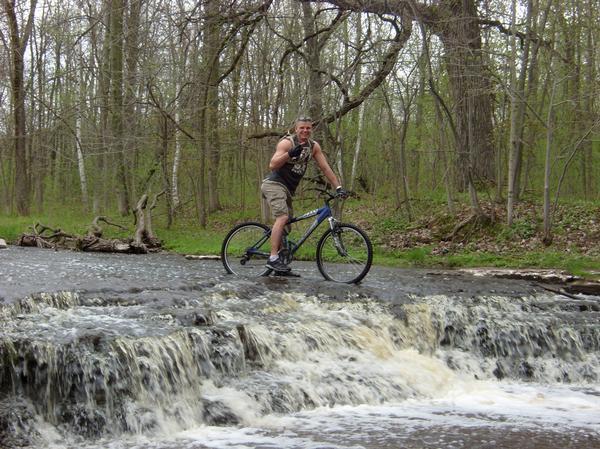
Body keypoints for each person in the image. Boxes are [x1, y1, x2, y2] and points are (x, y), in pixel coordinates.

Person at [261, 116, 346, 273]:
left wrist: (338, 187)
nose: (305, 130)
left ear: (311, 129)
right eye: (302, 128)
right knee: (282, 217)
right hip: (273, 184)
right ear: (296, 129)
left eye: (308, 128)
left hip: (288, 189)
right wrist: (289, 154)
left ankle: (282, 263)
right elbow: (272, 164)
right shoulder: (287, 143)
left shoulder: (313, 147)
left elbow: (326, 168)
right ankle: (273, 258)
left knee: (286, 228)